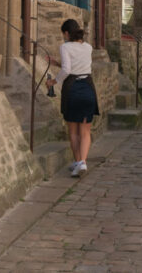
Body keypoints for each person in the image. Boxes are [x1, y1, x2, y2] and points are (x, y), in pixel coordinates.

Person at [46, 19, 99, 177]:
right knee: (85, 131)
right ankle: (81, 162)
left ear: (67, 33)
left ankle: (79, 162)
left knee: (73, 130)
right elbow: (79, 64)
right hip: (88, 88)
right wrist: (58, 63)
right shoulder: (88, 47)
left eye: (63, 34)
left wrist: (53, 81)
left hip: (73, 89)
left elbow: (68, 70)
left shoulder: (65, 47)